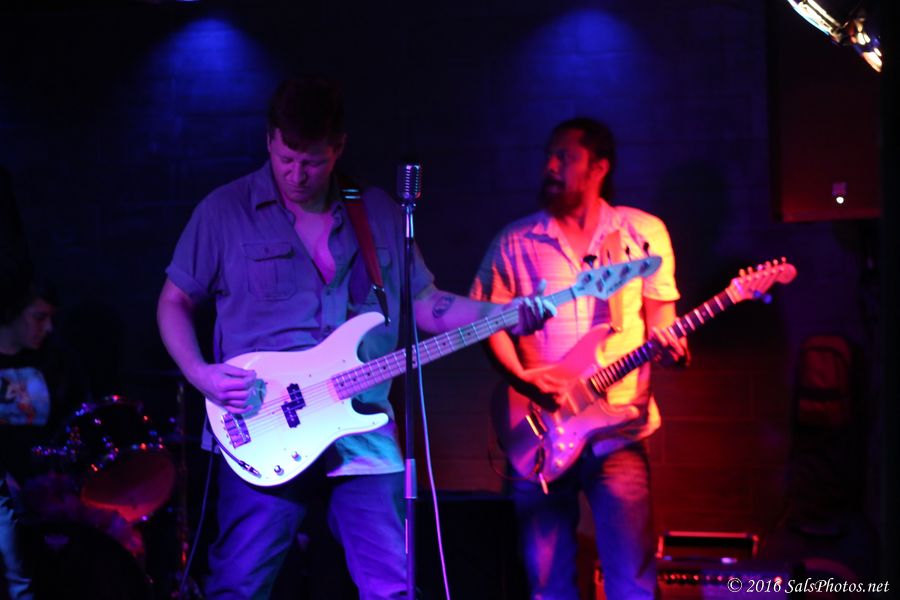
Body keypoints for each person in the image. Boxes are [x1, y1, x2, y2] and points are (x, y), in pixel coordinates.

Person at [156, 75, 556, 600]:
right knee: (238, 587)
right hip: (262, 424)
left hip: (361, 427)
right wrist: (200, 374)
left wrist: (502, 314)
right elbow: (174, 302)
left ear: (338, 147)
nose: (296, 174)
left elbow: (425, 303)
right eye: (286, 159)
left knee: (392, 587)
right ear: (269, 140)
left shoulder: (378, 212)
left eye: (312, 162)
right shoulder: (224, 211)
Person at [470, 117, 689, 599]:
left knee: (631, 579)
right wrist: (520, 379)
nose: (550, 166)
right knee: (547, 582)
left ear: (599, 167)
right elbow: (485, 321)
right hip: (539, 432)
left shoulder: (642, 233)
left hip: (619, 434)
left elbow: (662, 323)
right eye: (548, 155)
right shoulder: (515, 241)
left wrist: (671, 348)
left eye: (564, 157)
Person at [0, 271, 60, 600]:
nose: (47, 328)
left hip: (46, 488)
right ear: (12, 312)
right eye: (39, 317)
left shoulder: (56, 361)